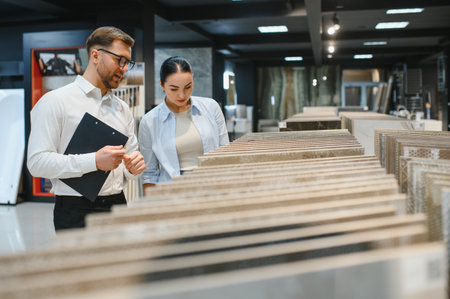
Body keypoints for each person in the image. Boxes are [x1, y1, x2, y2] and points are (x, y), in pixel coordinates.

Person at [27, 26, 145, 230]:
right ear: (95, 55)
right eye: (120, 60)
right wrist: (94, 161)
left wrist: (134, 167)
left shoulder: (122, 108)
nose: (125, 69)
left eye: (128, 63)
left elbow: (130, 161)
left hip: (118, 204)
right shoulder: (55, 101)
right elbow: (37, 163)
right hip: (76, 211)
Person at [138, 56, 229, 192]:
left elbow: (225, 154)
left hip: (211, 185)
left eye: (188, 87)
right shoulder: (149, 121)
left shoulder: (211, 107)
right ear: (162, 85)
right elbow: (149, 174)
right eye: (174, 89)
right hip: (171, 191)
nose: (182, 95)